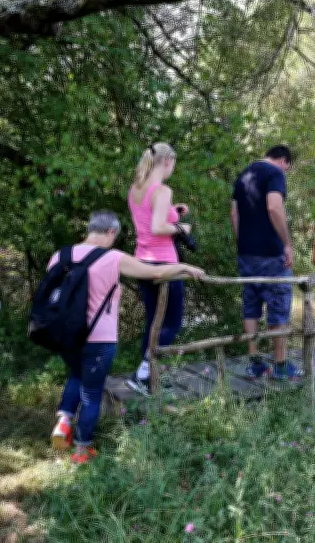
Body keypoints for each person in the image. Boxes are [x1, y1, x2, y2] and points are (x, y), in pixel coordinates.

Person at [49, 210, 203, 464]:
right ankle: (81, 449)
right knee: (93, 392)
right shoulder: (112, 258)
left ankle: (64, 421)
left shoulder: (60, 255)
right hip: (99, 338)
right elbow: (155, 273)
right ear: (111, 232)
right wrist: (185, 266)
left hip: (64, 334)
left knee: (76, 374)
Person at [125, 142, 193, 396]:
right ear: (167, 161)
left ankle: (147, 375)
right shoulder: (162, 190)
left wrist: (174, 212)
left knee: (154, 322)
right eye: (173, 165)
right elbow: (156, 227)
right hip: (165, 263)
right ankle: (143, 374)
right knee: (172, 323)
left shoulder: (136, 190)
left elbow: (148, 217)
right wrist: (181, 228)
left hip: (143, 261)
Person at [231, 145, 301, 381]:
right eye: (287, 168)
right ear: (283, 161)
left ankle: (255, 363)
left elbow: (234, 214)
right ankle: (280, 366)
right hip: (272, 254)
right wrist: (287, 243)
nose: (286, 172)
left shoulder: (244, 175)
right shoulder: (275, 174)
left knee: (251, 304)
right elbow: (274, 207)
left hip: (246, 252)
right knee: (278, 304)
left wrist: (242, 244)